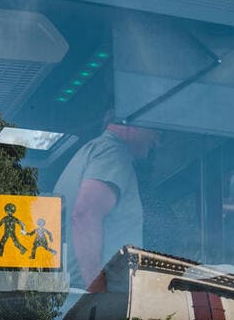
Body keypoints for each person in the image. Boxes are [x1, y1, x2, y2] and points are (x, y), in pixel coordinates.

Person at [54, 120, 157, 289]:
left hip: (76, 290)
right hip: (101, 295)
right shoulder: (114, 154)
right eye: (155, 130)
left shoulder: (89, 152)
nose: (156, 140)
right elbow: (85, 215)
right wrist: (98, 292)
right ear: (132, 123)